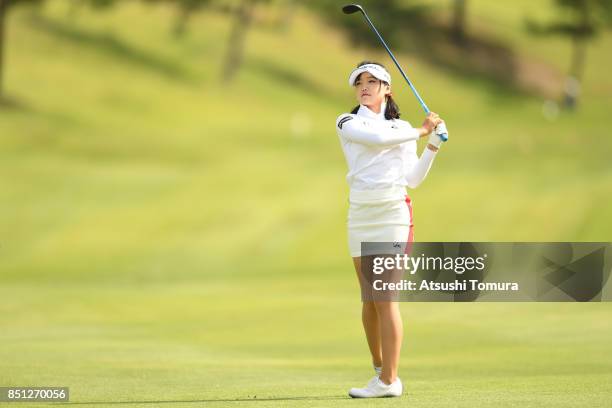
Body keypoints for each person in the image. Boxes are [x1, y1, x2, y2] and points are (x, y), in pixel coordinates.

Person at [335, 61, 447, 398]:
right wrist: (423, 131)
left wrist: (433, 147)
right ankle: (379, 368)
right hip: (361, 214)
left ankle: (389, 381)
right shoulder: (348, 121)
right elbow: (379, 138)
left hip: (393, 214)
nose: (364, 87)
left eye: (373, 81)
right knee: (369, 299)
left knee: (384, 298)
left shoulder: (404, 128)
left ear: (387, 89)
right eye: (360, 83)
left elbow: (412, 178)